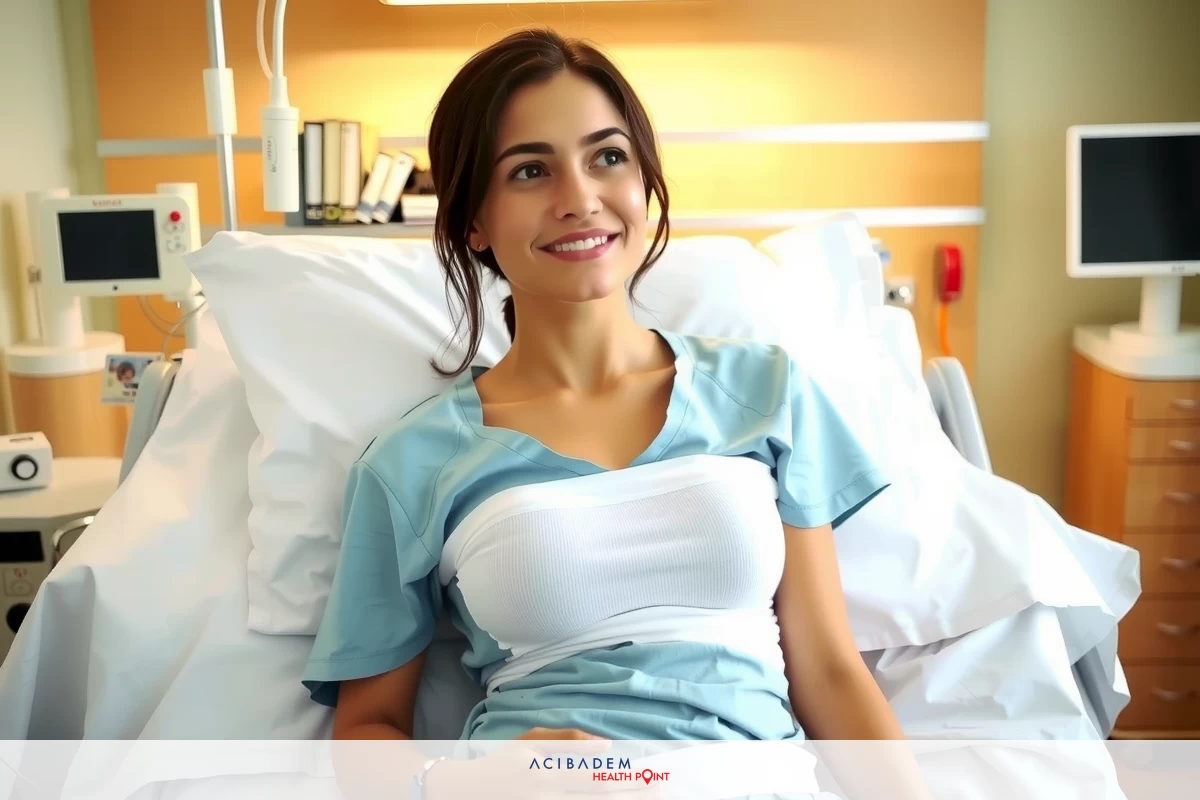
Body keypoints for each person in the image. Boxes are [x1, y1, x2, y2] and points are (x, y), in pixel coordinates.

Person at [304, 26, 923, 797]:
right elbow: (367, 731)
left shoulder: (767, 393)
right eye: (530, 170)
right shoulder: (411, 463)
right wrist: (462, 783)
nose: (579, 199)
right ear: (472, 220)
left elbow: (829, 669)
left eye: (607, 157)